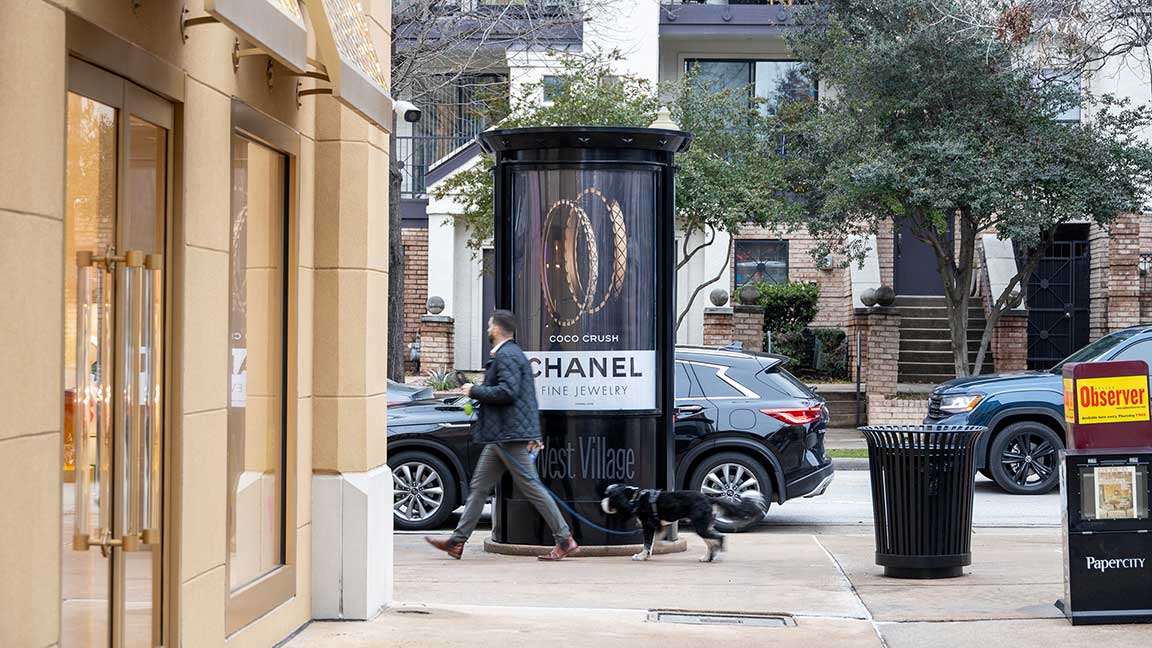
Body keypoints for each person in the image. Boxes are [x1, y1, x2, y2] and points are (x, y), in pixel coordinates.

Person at [425, 310, 579, 561]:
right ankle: (457, 541)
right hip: (502, 436)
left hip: (508, 436)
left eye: (489, 325)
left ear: (496, 329)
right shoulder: (511, 354)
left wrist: (475, 390)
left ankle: (564, 538)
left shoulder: (508, 355)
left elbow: (508, 392)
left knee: (530, 487)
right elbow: (526, 397)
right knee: (479, 488)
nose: (487, 329)